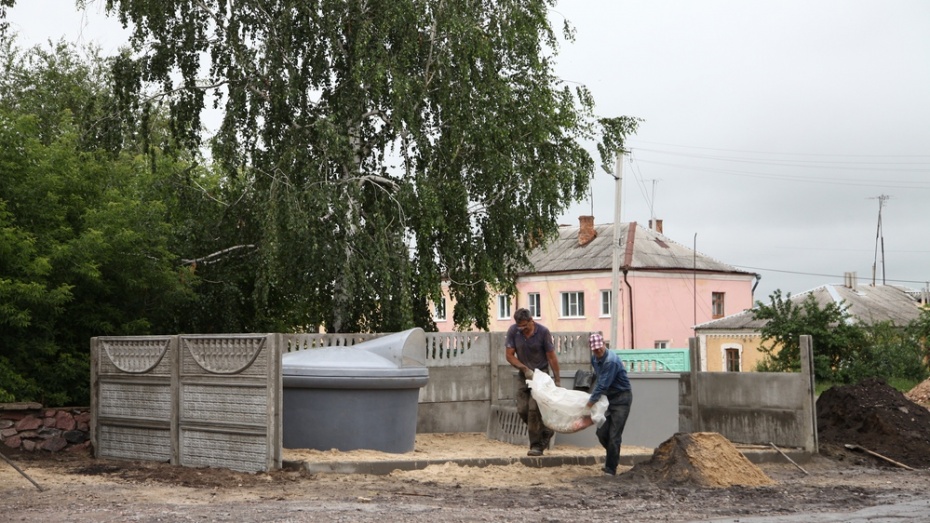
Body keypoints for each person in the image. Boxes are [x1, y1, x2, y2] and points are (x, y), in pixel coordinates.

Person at [505, 308, 561, 456]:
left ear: (531, 320)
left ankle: (536, 446)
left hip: (541, 376)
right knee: (522, 409)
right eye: (519, 326)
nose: (522, 329)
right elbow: (509, 355)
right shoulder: (513, 331)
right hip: (524, 375)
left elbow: (551, 357)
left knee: (533, 410)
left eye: (524, 325)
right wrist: (524, 369)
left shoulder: (543, 332)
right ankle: (546, 431)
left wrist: (557, 380)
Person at [586, 332, 633, 476]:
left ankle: (611, 468)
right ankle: (613, 455)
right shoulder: (594, 359)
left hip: (621, 399)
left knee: (614, 435)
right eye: (595, 349)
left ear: (604, 345)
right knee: (601, 432)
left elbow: (602, 385)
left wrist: (590, 403)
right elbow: (598, 378)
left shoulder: (610, 361)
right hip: (608, 399)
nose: (598, 351)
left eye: (599, 348)